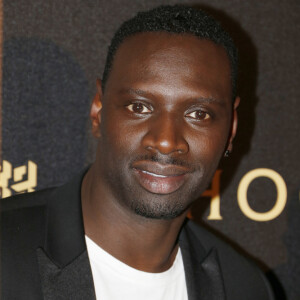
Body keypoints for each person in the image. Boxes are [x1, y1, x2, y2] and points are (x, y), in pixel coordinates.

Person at [1, 5, 275, 300]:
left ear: (231, 128)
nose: (167, 141)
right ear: (98, 110)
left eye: (199, 113)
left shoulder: (244, 288)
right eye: (139, 107)